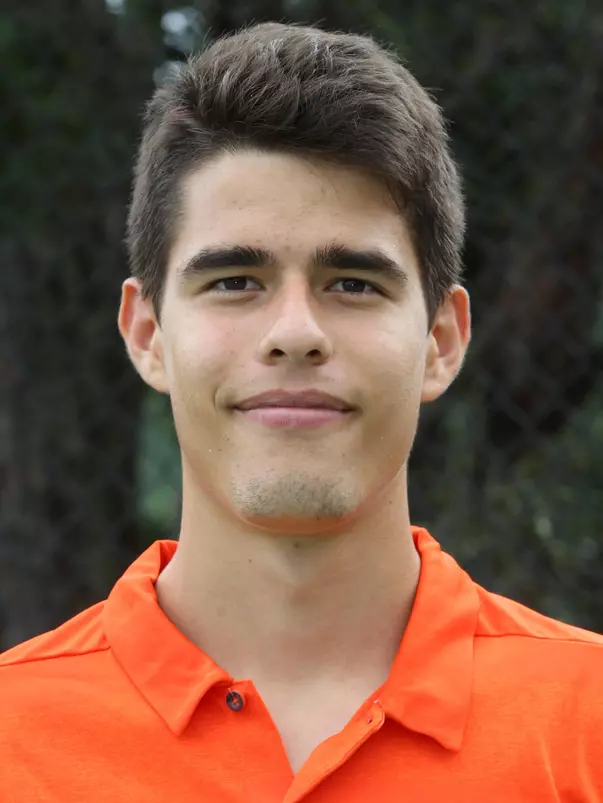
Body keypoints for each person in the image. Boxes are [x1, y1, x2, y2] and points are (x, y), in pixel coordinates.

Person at [1, 20, 601, 803]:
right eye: (234, 281)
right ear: (147, 335)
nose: (294, 334)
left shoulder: (584, 720)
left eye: (352, 282)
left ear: (442, 340)